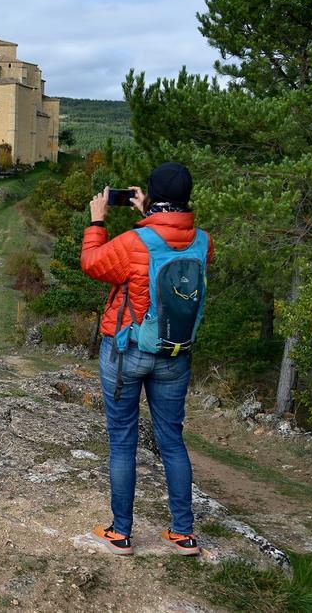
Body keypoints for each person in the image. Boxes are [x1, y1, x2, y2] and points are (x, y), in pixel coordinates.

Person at [79, 161, 214, 557]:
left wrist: (97, 220)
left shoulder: (134, 243)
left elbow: (93, 264)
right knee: (172, 441)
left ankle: (121, 533)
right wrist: (152, 215)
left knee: (122, 441)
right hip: (175, 353)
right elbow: (172, 247)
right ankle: (183, 533)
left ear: (153, 196)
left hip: (127, 351)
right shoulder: (204, 242)